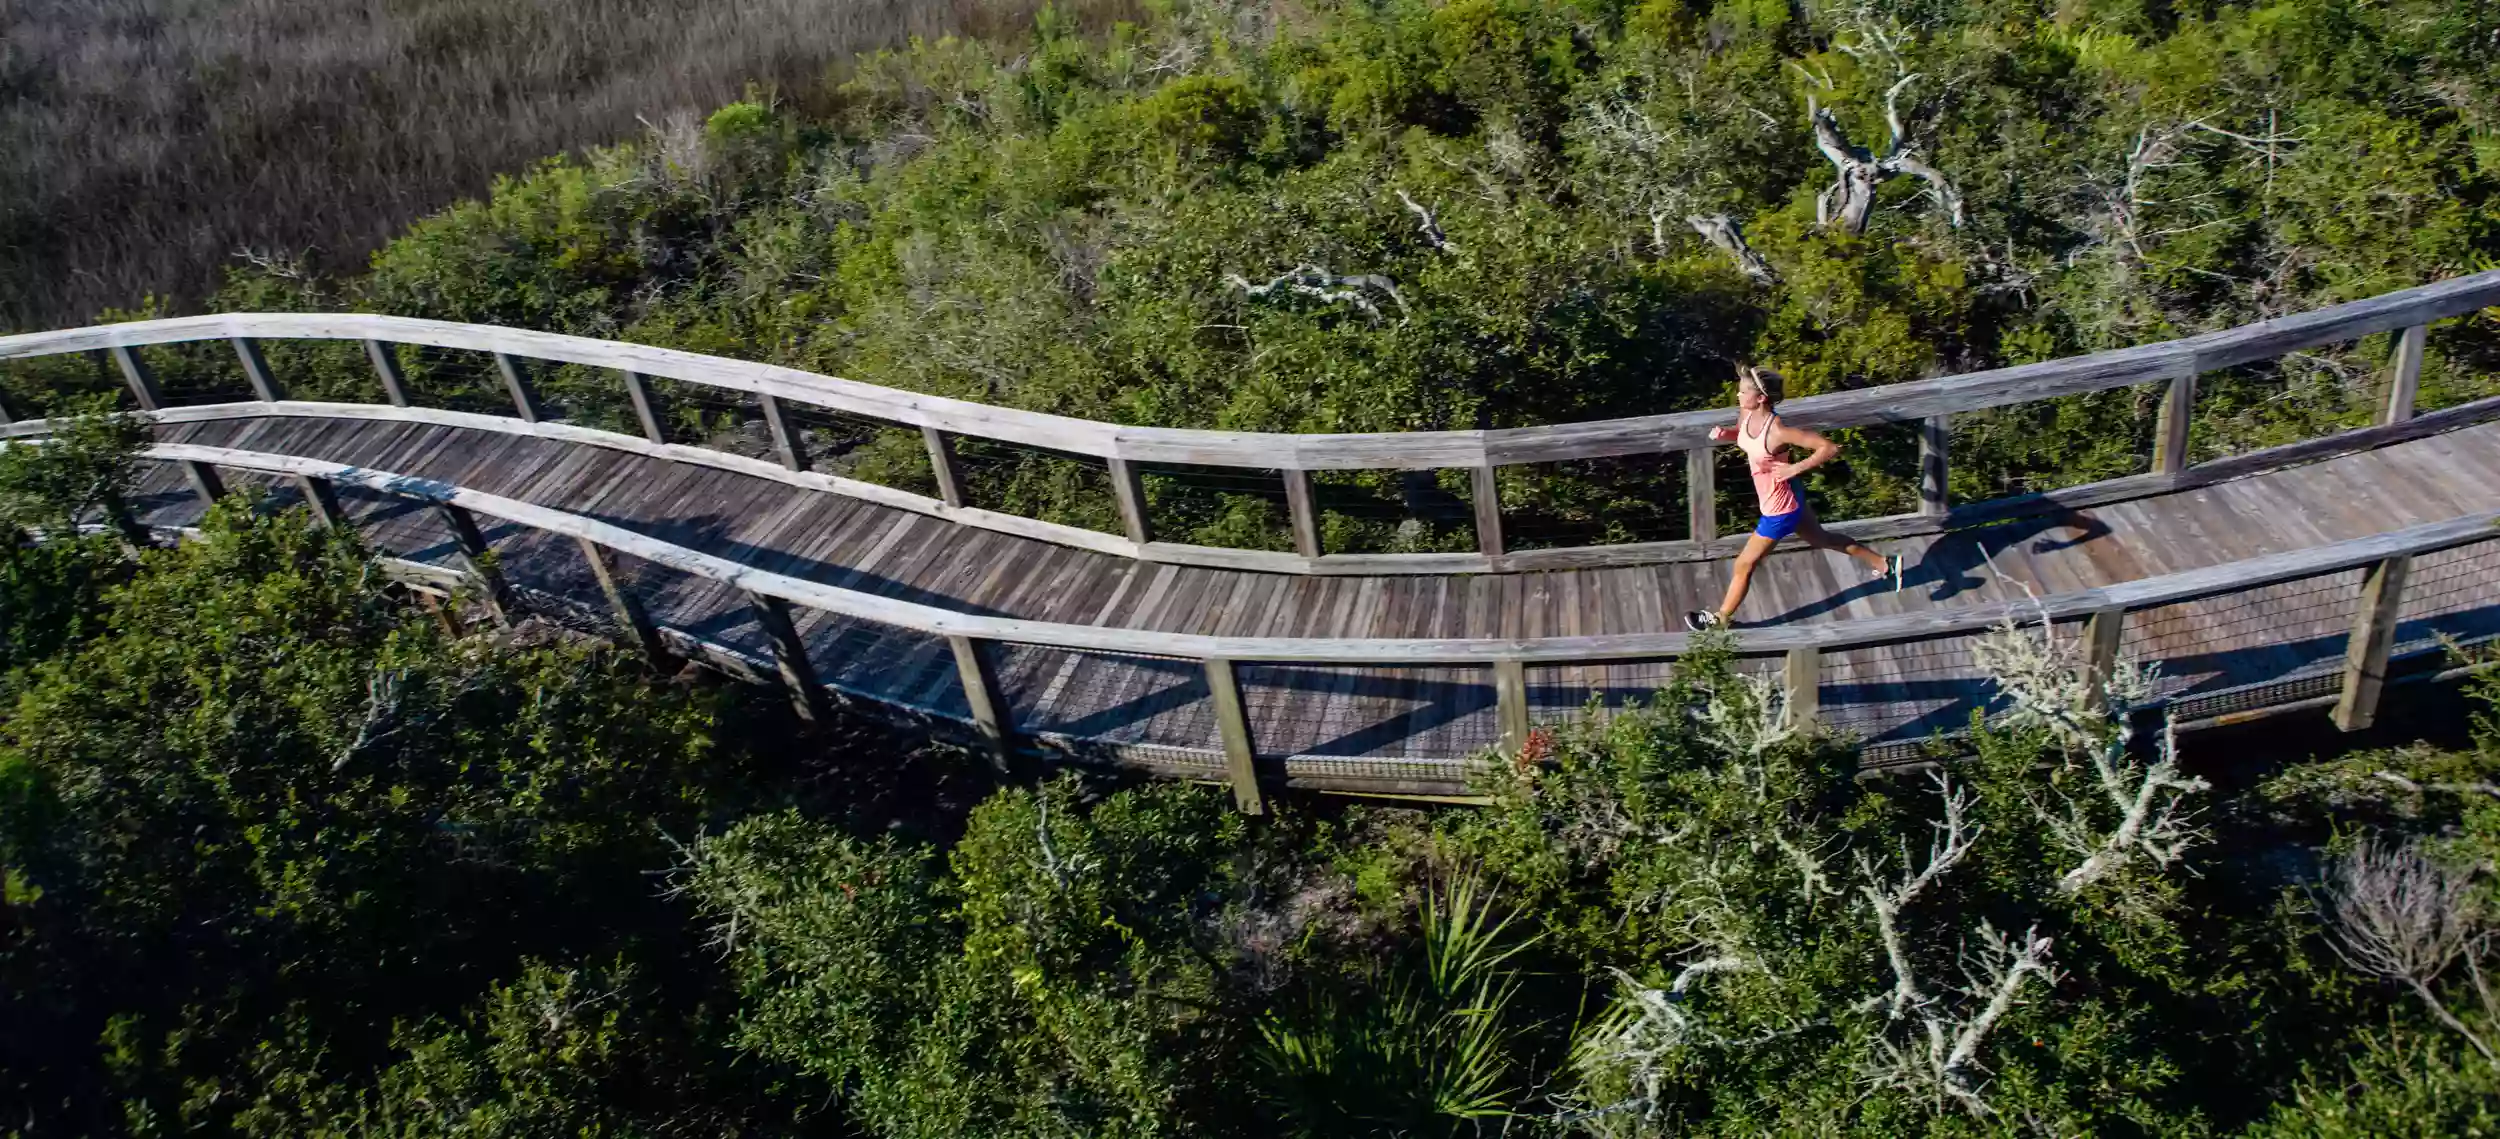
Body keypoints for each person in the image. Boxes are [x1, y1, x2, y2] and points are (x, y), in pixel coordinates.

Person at [1684, 364, 1903, 631]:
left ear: (1761, 398)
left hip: (1780, 509)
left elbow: (1829, 448)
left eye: (1743, 393)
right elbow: (1742, 436)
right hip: (1786, 498)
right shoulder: (1746, 413)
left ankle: (1719, 619)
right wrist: (1726, 434)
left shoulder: (1778, 431)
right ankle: (1885, 563)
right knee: (1822, 539)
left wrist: (1793, 468)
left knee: (1744, 563)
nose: (1738, 397)